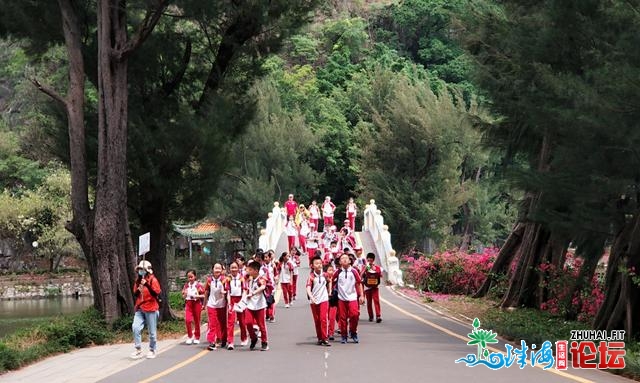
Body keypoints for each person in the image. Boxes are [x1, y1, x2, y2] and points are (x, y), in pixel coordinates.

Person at [131, 260, 162, 359]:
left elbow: (156, 293)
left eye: (143, 269)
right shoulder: (138, 281)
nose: (141, 271)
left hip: (151, 308)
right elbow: (135, 294)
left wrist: (147, 285)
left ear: (147, 271)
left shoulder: (153, 280)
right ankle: (138, 348)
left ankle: (152, 349)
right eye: (140, 269)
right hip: (140, 308)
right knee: (135, 327)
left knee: (152, 332)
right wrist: (139, 289)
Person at [332, 253, 364, 344]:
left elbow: (359, 283)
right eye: (342, 258)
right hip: (341, 298)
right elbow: (331, 280)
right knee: (342, 318)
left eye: (346, 258)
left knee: (355, 315)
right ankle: (344, 336)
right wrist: (331, 291)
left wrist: (361, 295)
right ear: (340, 262)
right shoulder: (338, 272)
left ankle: (353, 332)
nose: (345, 259)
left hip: (352, 297)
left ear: (350, 261)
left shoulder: (354, 271)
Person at [244, 260, 269, 351]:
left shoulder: (261, 278)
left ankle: (264, 342)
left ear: (256, 270)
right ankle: (253, 338)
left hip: (260, 305)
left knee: (261, 325)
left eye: (250, 269)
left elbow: (263, 287)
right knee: (248, 323)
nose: (248, 271)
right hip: (250, 305)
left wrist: (253, 293)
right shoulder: (249, 279)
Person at [306, 255, 331, 346]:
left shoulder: (325, 274)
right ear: (312, 266)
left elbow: (329, 280)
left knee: (323, 319)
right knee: (317, 320)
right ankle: (320, 338)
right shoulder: (311, 277)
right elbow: (308, 289)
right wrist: (312, 298)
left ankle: (325, 338)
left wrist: (329, 291)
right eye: (316, 263)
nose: (319, 265)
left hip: (324, 299)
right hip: (314, 301)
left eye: (320, 263)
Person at [204, 263, 227, 350]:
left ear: (222, 270)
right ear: (212, 270)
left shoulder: (224, 279)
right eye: (215, 268)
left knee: (222, 323)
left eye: (219, 268)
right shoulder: (209, 280)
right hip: (211, 304)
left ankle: (223, 339)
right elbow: (206, 292)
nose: (217, 270)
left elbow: (228, 290)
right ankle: (211, 342)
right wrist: (204, 304)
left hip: (222, 304)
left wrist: (225, 294)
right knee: (212, 323)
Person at [226, 261, 248, 349]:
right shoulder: (228, 279)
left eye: (235, 267)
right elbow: (228, 292)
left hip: (240, 300)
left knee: (242, 321)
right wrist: (229, 303)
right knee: (230, 322)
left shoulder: (242, 278)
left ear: (238, 268)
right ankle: (230, 342)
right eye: (232, 268)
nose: (234, 269)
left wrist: (242, 301)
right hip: (232, 300)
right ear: (229, 269)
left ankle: (244, 338)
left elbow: (245, 290)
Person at [182, 269, 205, 345]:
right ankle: (189, 336)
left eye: (191, 277)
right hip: (188, 303)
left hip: (196, 303)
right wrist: (185, 294)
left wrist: (197, 296)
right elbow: (183, 296)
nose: (190, 279)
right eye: (188, 277)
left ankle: (197, 337)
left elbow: (204, 295)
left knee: (197, 320)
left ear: (195, 277)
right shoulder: (186, 285)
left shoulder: (198, 285)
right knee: (188, 320)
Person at [361, 253, 383, 323]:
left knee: (376, 301)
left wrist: (375, 269)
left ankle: (378, 316)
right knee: (369, 302)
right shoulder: (365, 267)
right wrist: (365, 269)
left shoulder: (377, 267)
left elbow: (381, 275)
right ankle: (371, 316)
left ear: (373, 260)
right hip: (367, 287)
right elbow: (360, 275)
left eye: (371, 260)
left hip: (375, 287)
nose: (369, 261)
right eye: (368, 260)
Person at [325, 263, 337, 341]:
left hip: (334, 300)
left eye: (332, 270)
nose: (331, 272)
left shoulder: (336, 279)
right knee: (325, 317)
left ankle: (331, 333)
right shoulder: (322, 280)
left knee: (332, 317)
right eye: (329, 270)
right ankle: (324, 332)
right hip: (324, 300)